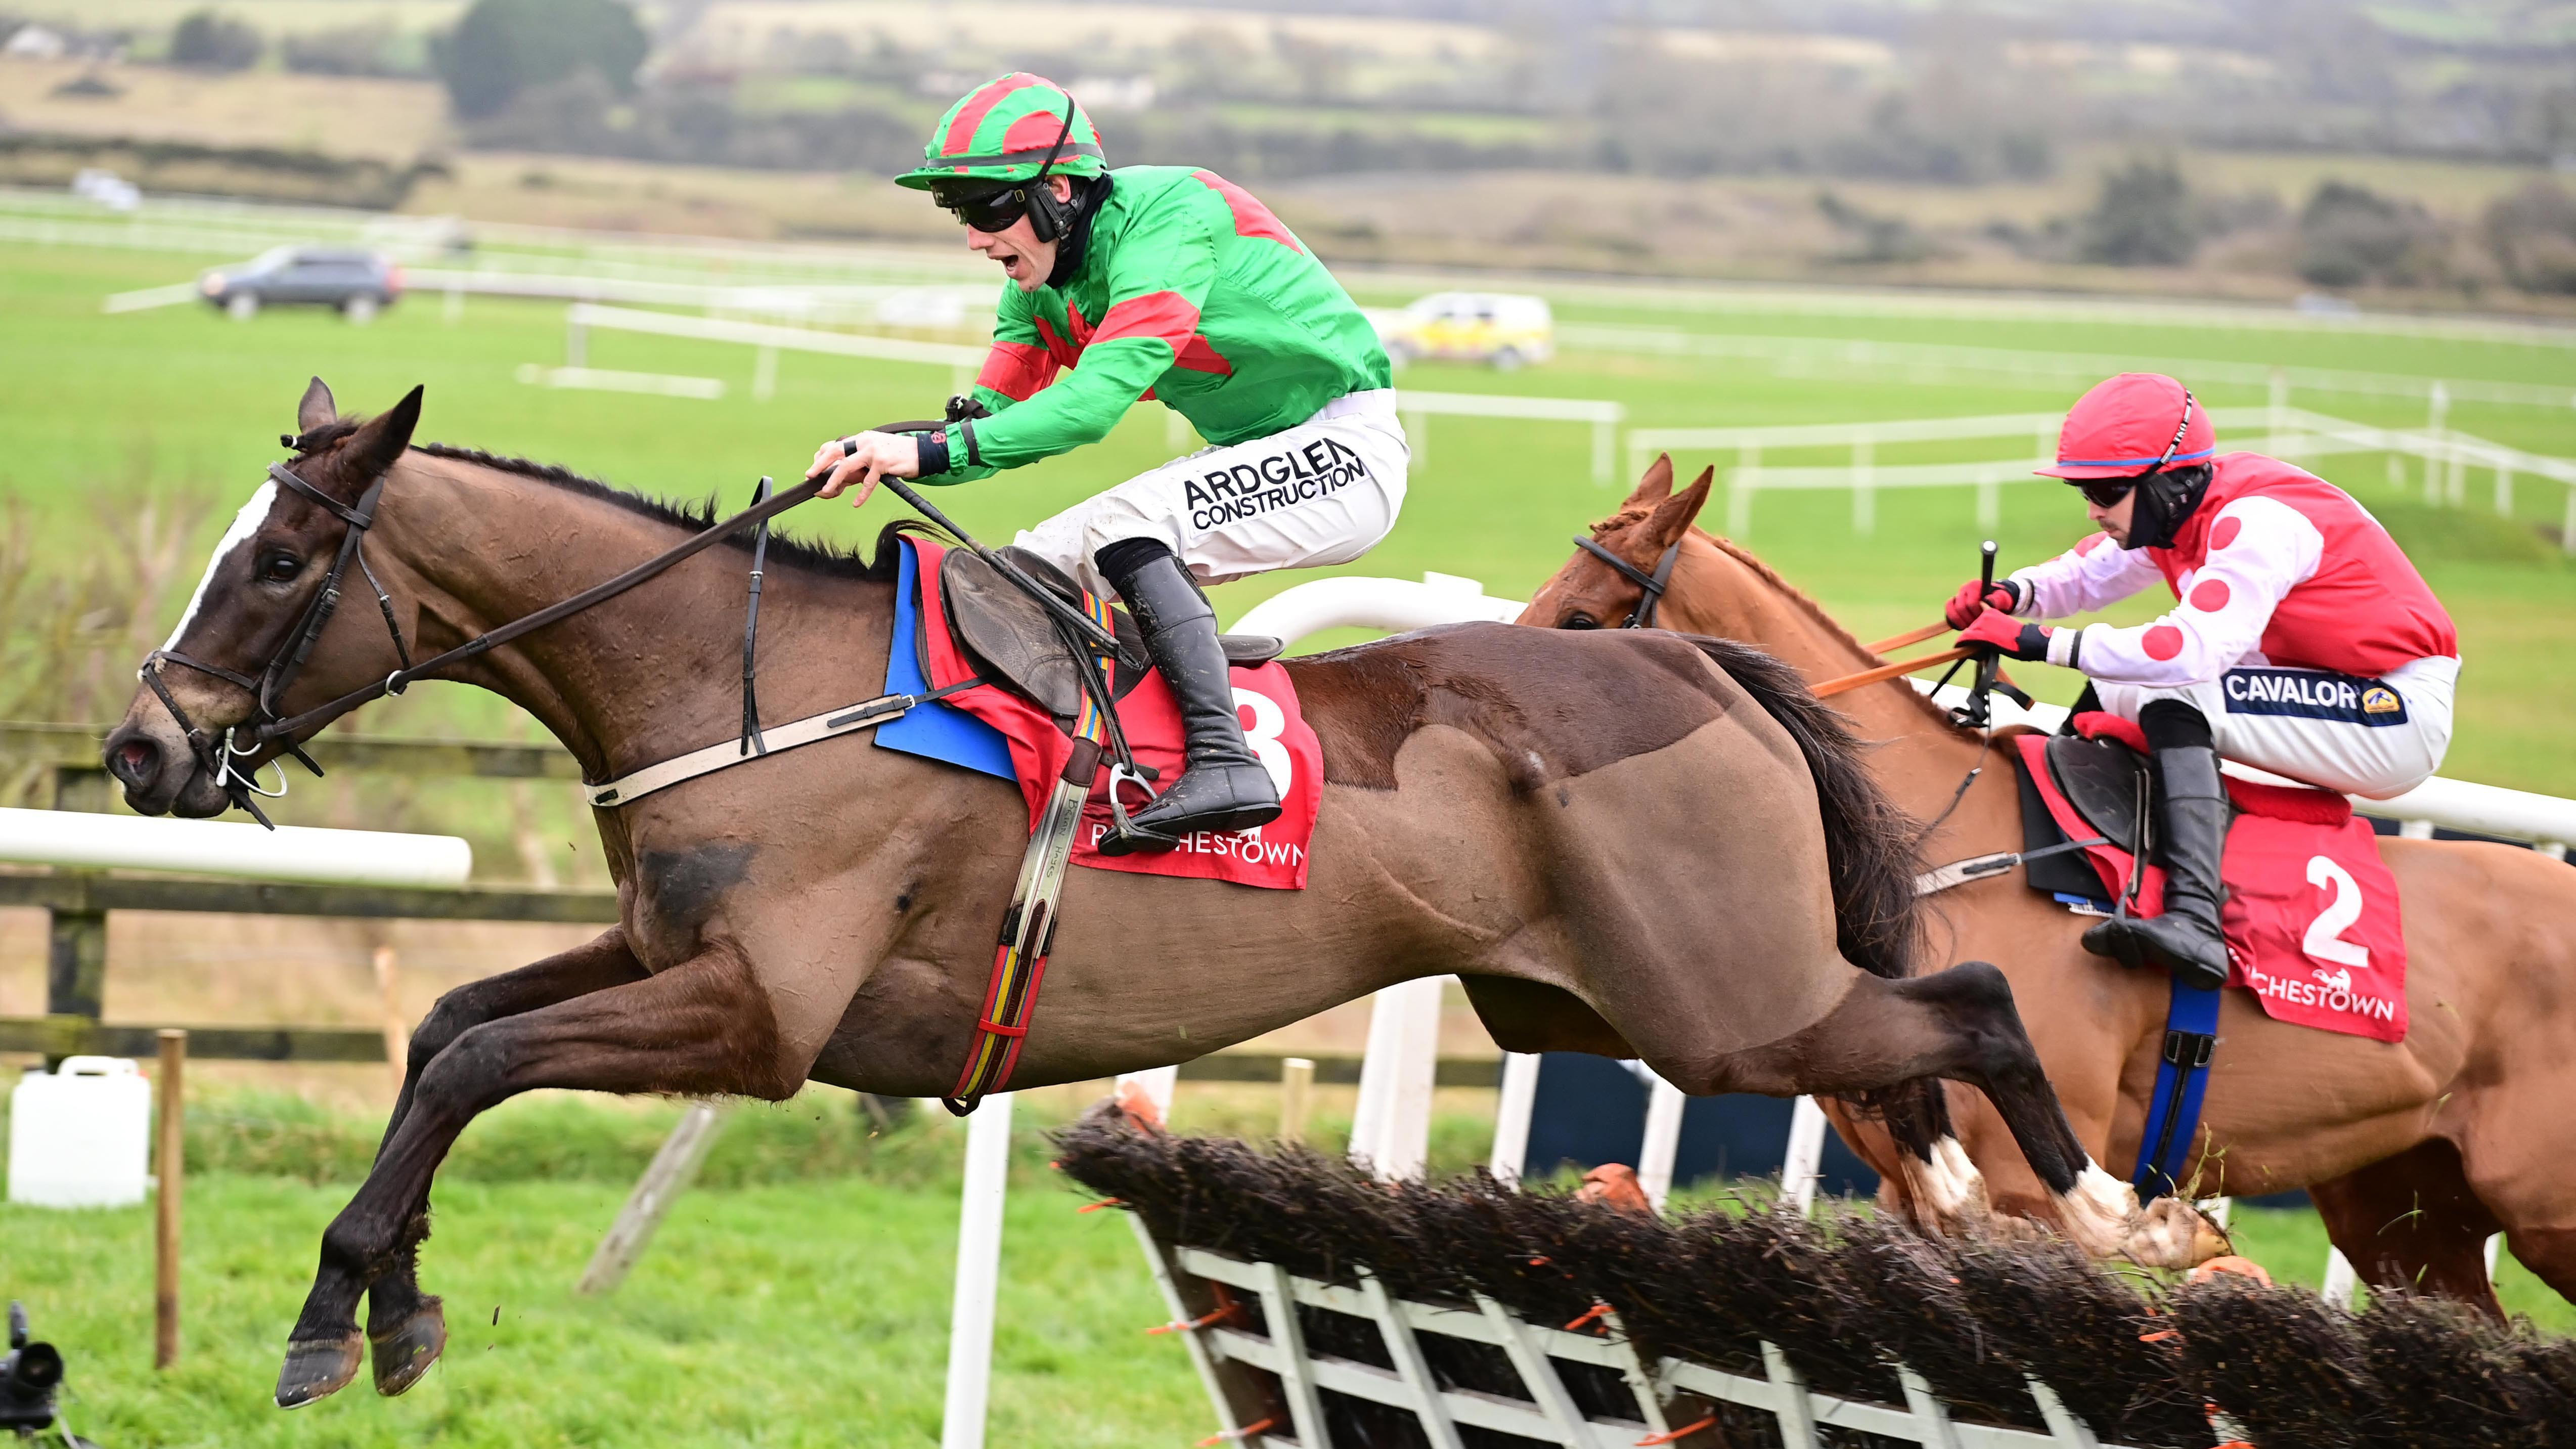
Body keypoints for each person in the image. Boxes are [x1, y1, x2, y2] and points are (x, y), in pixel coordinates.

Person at [807, 75, 1405, 852]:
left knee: (1125, 525)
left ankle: (1227, 763)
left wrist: (924, 452)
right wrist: (880, 453)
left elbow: (1090, 405)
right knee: (1022, 570)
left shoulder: (1171, 218)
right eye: (959, 212)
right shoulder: (1035, 284)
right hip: (1253, 453)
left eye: (987, 210)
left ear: (1058, 191)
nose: (975, 240)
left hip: (1345, 452)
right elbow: (985, 428)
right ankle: (1089, 765)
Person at [1943, 372, 2459, 989]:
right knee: (2118, 686)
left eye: (2106, 490)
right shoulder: (2179, 509)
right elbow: (2086, 575)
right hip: (2324, 680)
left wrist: (2037, 642)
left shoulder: (2255, 523)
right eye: (2084, 490)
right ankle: (2078, 853)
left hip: (2392, 708)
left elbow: (2190, 650)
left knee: (2173, 688)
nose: (2094, 509)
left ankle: (2195, 918)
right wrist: (2013, 594)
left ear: (2168, 479)